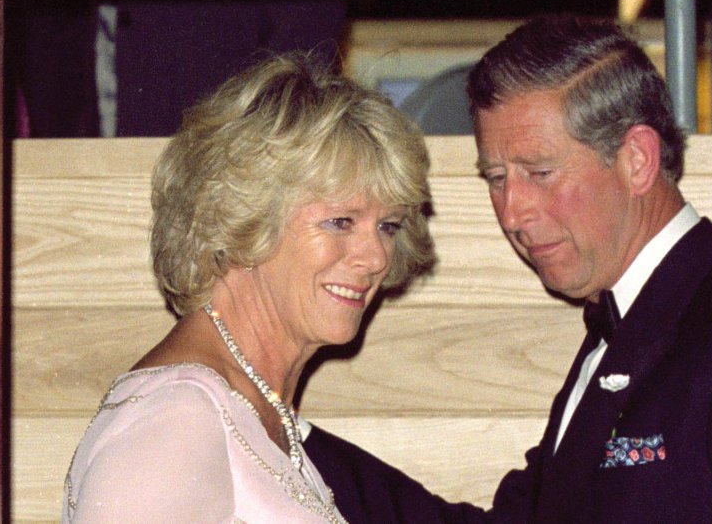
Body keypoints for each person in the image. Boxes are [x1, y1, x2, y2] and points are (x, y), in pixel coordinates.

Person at [301, 15, 712, 522]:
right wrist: (291, 441)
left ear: (636, 160)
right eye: (497, 178)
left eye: (540, 172)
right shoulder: (631, 325)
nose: (513, 212)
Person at [61, 54, 436, 522]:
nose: (376, 258)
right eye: (340, 222)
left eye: (388, 226)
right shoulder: (177, 418)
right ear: (242, 220)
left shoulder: (254, 412)